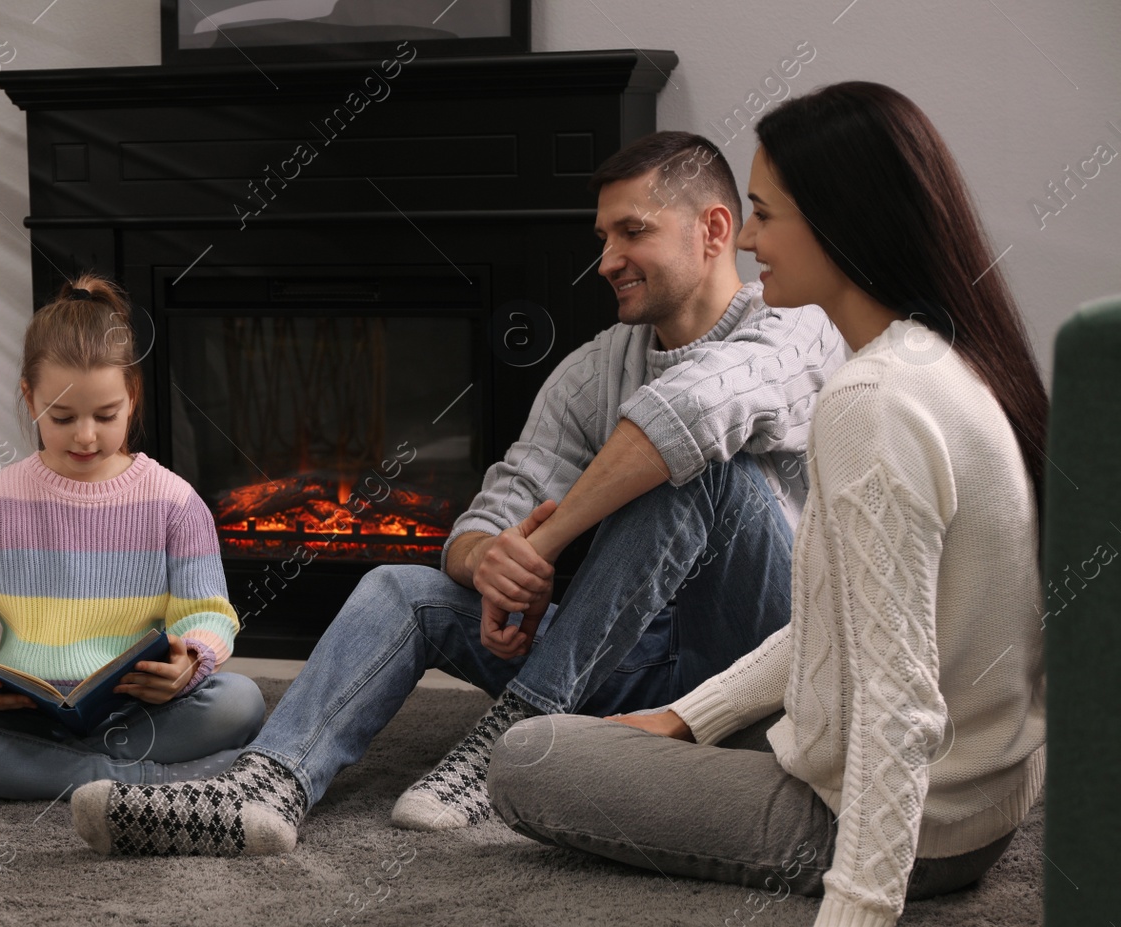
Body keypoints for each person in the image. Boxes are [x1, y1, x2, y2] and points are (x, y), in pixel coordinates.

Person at [70, 131, 847, 857]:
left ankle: (518, 733)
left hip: (759, 659)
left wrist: (545, 541)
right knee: (399, 587)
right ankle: (264, 788)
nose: (607, 258)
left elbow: (689, 415)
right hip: (620, 662)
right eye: (602, 238)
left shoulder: (801, 330)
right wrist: (493, 564)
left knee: (706, 465)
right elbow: (491, 509)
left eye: (632, 232)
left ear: (713, 230)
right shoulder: (591, 369)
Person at [487, 82, 1049, 927]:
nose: (747, 241)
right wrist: (691, 718)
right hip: (976, 797)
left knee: (531, 760)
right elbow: (840, 618)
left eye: (767, 215)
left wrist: (854, 924)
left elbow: (899, 700)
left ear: (845, 222)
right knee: (636, 730)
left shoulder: (869, 404)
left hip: (921, 828)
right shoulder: (935, 359)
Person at [0, 274, 266, 800]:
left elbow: (207, 615)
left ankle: (28, 776)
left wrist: (189, 664)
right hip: (25, 711)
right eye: (62, 417)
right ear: (30, 397)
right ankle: (146, 781)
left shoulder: (175, 502)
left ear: (132, 396)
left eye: (106, 416)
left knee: (241, 701)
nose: (84, 436)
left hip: (139, 708)